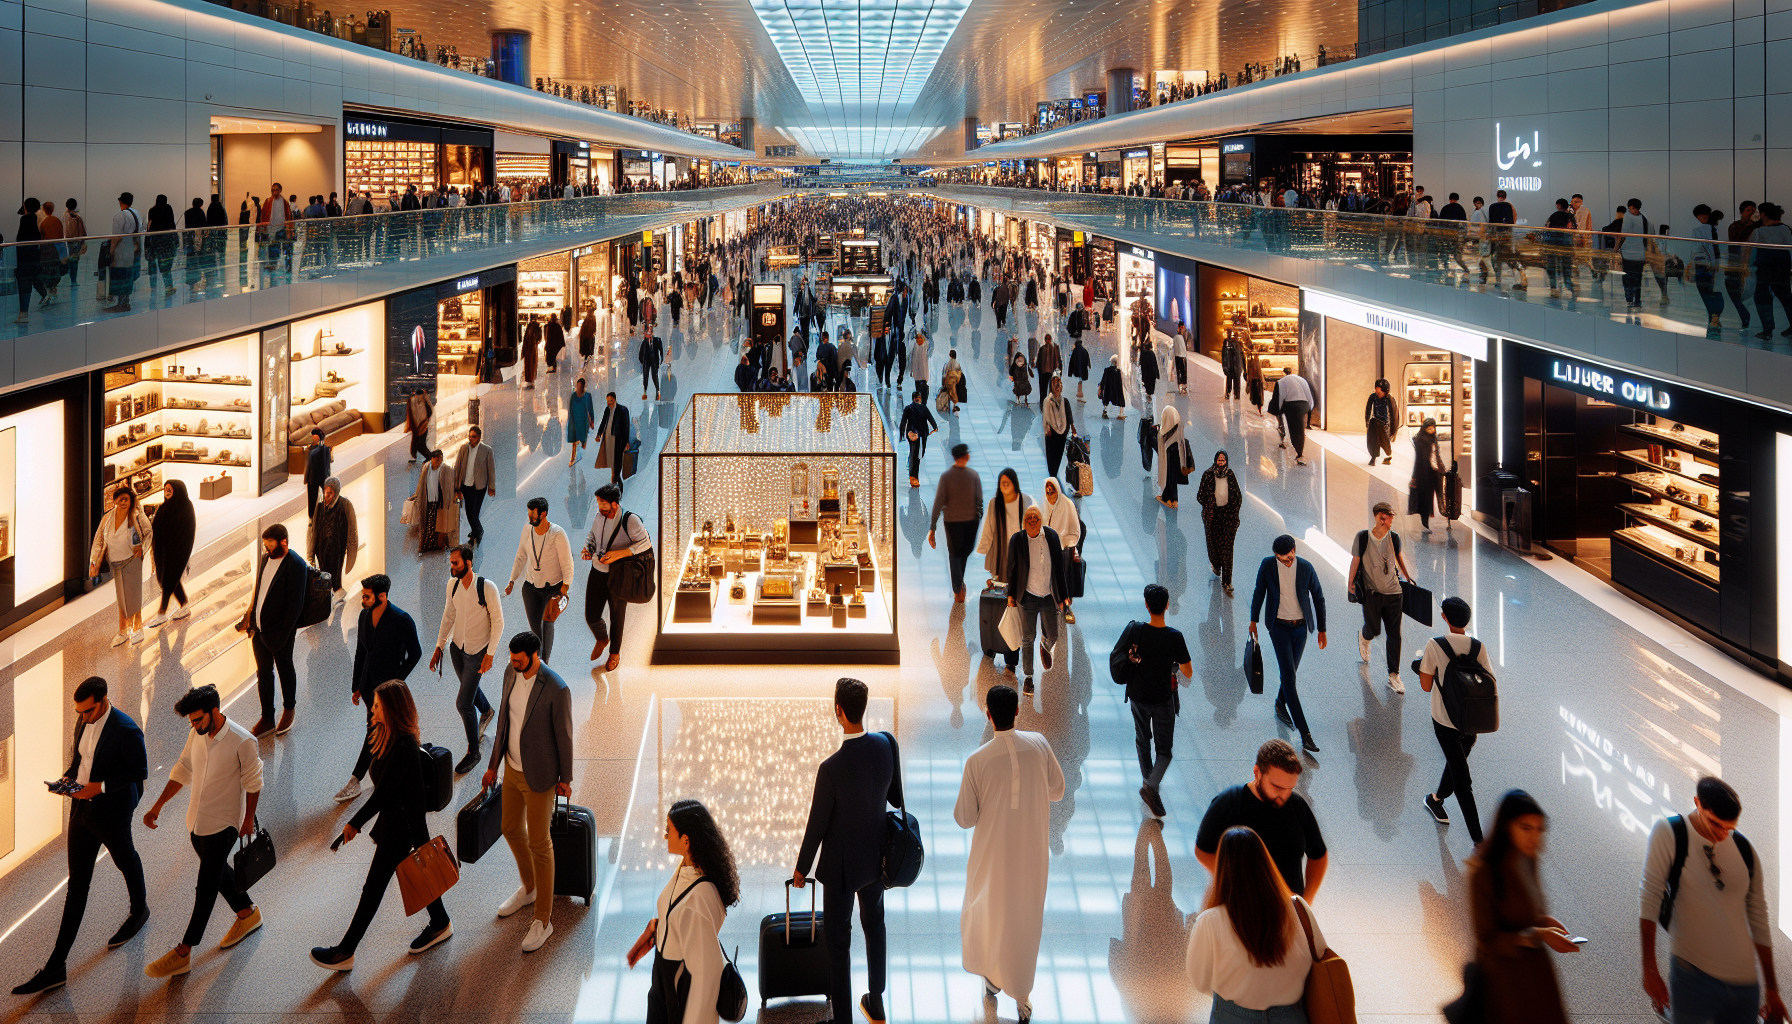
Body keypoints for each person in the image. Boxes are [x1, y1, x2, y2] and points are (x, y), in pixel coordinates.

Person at [12, 678, 150, 996]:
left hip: (112, 811)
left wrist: (98, 788)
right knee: (77, 885)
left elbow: (138, 772)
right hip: (82, 812)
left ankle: (139, 909)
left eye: (87, 711)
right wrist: (68, 778)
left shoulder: (126, 730)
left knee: (125, 857)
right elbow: (80, 759)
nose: (82, 717)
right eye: (79, 712)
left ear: (102, 701)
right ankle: (56, 967)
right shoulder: (82, 717)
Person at [311, 680, 452, 969]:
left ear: (391, 708)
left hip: (403, 828)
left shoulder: (404, 747)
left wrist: (354, 824)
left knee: (373, 888)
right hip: (397, 822)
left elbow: (382, 794)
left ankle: (345, 952)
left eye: (376, 706)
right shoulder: (386, 735)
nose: (371, 710)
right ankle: (440, 922)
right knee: (416, 874)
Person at [793, 678, 904, 1024]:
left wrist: (801, 869)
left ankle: (842, 1019)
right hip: (876, 861)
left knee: (839, 944)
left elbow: (817, 825)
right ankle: (876, 1002)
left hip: (840, 870)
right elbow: (896, 800)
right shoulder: (887, 744)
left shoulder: (831, 769)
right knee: (876, 926)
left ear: (838, 711)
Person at [954, 684, 1066, 1024]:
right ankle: (1023, 994)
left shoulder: (977, 761)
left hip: (992, 857)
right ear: (1018, 711)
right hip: (1032, 854)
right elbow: (1058, 790)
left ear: (988, 716)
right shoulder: (1040, 745)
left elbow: (965, 818)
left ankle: (991, 981)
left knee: (990, 913)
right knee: (1025, 919)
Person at [140, 685, 264, 979]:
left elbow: (254, 781)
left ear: (214, 712)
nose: (193, 725)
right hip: (196, 823)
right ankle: (247, 914)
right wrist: (157, 806)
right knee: (219, 875)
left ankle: (183, 952)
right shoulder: (195, 735)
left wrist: (248, 820)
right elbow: (183, 768)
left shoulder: (242, 741)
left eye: (198, 719)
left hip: (224, 825)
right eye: (191, 721)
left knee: (206, 886)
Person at [1639, 775, 1785, 1024]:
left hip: (1744, 985)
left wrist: (1772, 989)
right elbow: (1650, 896)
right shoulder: (1670, 832)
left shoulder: (1745, 850)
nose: (1722, 835)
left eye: (1730, 828)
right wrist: (1649, 968)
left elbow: (1759, 918)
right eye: (1715, 824)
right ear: (1697, 803)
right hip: (1692, 978)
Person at [482, 632, 576, 953]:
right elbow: (503, 723)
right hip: (511, 768)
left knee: (540, 842)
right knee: (509, 828)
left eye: (519, 659)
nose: (513, 663)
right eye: (511, 658)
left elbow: (565, 736)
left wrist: (566, 778)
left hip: (541, 776)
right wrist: (494, 765)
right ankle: (531, 887)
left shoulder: (556, 688)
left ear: (535, 655)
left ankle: (543, 919)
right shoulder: (511, 672)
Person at [1185, 826, 1330, 1024]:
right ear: (1265, 863)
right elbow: (1320, 955)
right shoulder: (1297, 907)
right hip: (1292, 1016)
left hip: (1232, 1016)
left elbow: (1199, 981)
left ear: (1223, 870)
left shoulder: (1210, 920)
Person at [1464, 791, 1576, 1024]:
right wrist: (1537, 935)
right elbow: (1486, 939)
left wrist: (1543, 921)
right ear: (1506, 827)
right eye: (1526, 828)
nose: (1534, 837)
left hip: (1535, 977)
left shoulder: (1528, 859)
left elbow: (1522, 912)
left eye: (1539, 829)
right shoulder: (1483, 874)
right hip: (1505, 986)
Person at [626, 799, 740, 1024]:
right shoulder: (686, 867)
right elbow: (674, 909)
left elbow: (706, 975)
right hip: (664, 972)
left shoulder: (699, 898)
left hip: (680, 981)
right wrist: (656, 929)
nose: (665, 836)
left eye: (669, 831)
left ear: (686, 840)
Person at [1195, 740, 1329, 898]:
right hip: (1242, 910)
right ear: (1257, 773)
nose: (1284, 796)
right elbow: (1203, 851)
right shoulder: (1229, 802)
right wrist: (1232, 883)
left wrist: (1306, 901)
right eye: (1277, 787)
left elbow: (1318, 856)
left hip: (1288, 913)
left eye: (1290, 788)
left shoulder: (1297, 805)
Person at [336, 574, 422, 802]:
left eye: (366, 596)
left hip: (387, 689)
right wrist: (356, 685)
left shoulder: (402, 620)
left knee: (374, 730)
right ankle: (391, 771)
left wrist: (395, 684)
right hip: (368, 686)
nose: (362, 600)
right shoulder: (364, 616)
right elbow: (361, 652)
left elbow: (416, 654)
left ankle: (356, 780)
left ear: (382, 597)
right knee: (385, 729)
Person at [1116, 583, 1192, 819]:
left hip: (1138, 696)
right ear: (1167, 605)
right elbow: (1188, 672)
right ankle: (1151, 786)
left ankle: (1150, 785)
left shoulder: (1137, 631)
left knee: (1142, 741)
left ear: (1147, 606)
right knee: (1165, 751)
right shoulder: (1175, 637)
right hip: (1162, 700)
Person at [1248, 535, 1328, 753]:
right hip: (1279, 628)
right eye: (1283, 560)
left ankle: (1280, 702)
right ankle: (1306, 734)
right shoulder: (1267, 565)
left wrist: (1322, 629)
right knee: (1289, 678)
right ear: (1276, 556)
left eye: (1290, 558)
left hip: (1301, 629)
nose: (1287, 562)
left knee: (1290, 672)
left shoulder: (1305, 567)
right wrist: (1253, 620)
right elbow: (1259, 591)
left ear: (1294, 550)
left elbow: (1318, 597)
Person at [431, 545, 503, 775]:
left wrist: (490, 654)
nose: (452, 567)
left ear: (468, 563)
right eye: (451, 563)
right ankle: (487, 709)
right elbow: (448, 615)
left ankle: (474, 752)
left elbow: (499, 623)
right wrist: (439, 646)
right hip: (457, 649)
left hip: (478, 652)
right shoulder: (452, 586)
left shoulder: (486, 588)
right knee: (468, 689)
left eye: (456, 563)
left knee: (463, 703)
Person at [237, 523, 307, 737]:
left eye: (271, 546)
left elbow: (294, 607)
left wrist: (282, 636)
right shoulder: (266, 558)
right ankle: (267, 717)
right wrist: (251, 620)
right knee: (264, 673)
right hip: (259, 630)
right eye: (265, 546)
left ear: (284, 543)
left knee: (285, 669)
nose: (267, 550)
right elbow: (259, 589)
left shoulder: (296, 565)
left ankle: (289, 708)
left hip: (279, 633)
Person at [582, 482, 652, 671]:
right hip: (597, 571)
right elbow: (592, 535)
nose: (599, 507)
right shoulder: (599, 516)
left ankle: (614, 653)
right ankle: (602, 638)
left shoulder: (631, 520)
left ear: (614, 504)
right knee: (591, 615)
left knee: (617, 614)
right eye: (598, 502)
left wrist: (619, 554)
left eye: (602, 503)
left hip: (619, 574)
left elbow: (645, 544)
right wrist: (587, 548)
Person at [1350, 501, 1416, 694]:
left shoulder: (1394, 538)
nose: (1390, 521)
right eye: (1387, 518)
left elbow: (1399, 559)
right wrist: (1350, 582)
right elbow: (1356, 560)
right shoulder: (1362, 538)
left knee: (1394, 633)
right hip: (1372, 593)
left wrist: (1408, 577)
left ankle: (1394, 674)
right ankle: (1364, 636)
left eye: (1392, 518)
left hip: (1394, 593)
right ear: (1379, 517)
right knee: (1374, 629)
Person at [1004, 505, 1069, 688]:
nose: (1032, 519)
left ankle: (1045, 645)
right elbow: (1012, 569)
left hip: (1049, 595)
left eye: (1036, 517)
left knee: (1053, 635)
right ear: (1024, 522)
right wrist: (1011, 594)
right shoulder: (1017, 539)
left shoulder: (1051, 536)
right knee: (1027, 638)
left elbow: (1059, 567)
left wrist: (1063, 596)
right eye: (1029, 517)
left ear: (1041, 520)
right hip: (1028, 597)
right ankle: (1029, 677)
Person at [507, 497, 575, 664]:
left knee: (548, 623)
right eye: (529, 515)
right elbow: (521, 555)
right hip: (531, 588)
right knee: (536, 629)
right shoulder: (527, 530)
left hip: (553, 588)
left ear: (543, 514)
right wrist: (512, 580)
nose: (530, 519)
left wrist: (564, 591)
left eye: (533, 516)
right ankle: (539, 658)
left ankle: (544, 662)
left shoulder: (557, 534)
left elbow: (567, 563)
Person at [89, 484, 153, 647]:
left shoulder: (137, 515)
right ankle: (124, 630)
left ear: (131, 500)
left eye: (126, 499)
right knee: (122, 597)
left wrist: (142, 550)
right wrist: (94, 561)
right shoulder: (108, 518)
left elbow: (148, 533)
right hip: (116, 561)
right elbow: (99, 540)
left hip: (133, 560)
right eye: (120, 500)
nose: (123, 503)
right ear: (115, 501)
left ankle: (138, 628)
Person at [928, 444, 984, 601]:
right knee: (964, 552)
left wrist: (932, 527)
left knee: (954, 553)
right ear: (966, 456)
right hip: (970, 521)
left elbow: (938, 502)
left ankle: (957, 587)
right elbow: (979, 500)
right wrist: (978, 518)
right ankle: (958, 585)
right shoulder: (973, 476)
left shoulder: (946, 477)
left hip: (951, 521)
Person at [143, 480, 195, 627]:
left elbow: (186, 531)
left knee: (168, 581)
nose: (167, 491)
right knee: (166, 579)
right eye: (165, 489)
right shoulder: (164, 506)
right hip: (163, 551)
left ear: (177, 490)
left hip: (177, 551)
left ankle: (162, 613)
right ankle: (184, 604)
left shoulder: (185, 507)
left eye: (170, 489)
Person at [306, 476, 358, 605]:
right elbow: (312, 529)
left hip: (337, 547)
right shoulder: (319, 506)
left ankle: (337, 590)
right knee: (322, 569)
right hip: (321, 546)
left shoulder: (345, 505)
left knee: (335, 569)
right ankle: (325, 595)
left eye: (330, 493)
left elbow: (352, 529)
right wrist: (310, 551)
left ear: (336, 492)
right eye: (325, 492)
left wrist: (351, 547)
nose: (327, 496)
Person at [1195, 450, 1242, 597]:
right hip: (1213, 516)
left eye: (1223, 460)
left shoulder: (1231, 475)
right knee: (1213, 545)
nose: (1221, 462)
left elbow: (1238, 496)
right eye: (1219, 460)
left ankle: (1227, 581)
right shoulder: (1208, 475)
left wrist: (1233, 511)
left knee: (1228, 549)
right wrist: (1210, 505)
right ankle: (1215, 564)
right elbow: (1200, 496)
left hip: (1227, 517)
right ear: (1215, 460)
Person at [978, 468, 1032, 592]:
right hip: (1001, 550)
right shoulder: (994, 503)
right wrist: (984, 548)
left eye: (1008, 482)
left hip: (1020, 549)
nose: (1006, 485)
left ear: (1015, 483)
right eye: (1003, 482)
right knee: (1001, 584)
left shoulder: (1025, 500)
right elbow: (989, 527)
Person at [1040, 476, 1081, 623]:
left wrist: (1061, 543)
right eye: (1047, 492)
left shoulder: (1067, 505)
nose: (1050, 495)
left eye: (1052, 492)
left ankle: (1065, 605)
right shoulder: (1043, 506)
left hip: (1063, 548)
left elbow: (1075, 532)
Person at [1751, 202, 1792, 341]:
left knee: (1762, 297)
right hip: (1783, 267)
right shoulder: (1786, 229)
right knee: (1786, 297)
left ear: (1764, 214)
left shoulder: (1759, 232)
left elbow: (1751, 251)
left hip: (1765, 268)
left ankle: (1767, 330)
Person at [411, 448, 461, 553]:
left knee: (439, 523)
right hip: (428, 499)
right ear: (432, 459)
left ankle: (439, 544)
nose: (439, 462)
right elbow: (421, 483)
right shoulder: (426, 468)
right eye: (437, 460)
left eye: (440, 460)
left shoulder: (446, 469)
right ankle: (428, 545)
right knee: (429, 522)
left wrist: (455, 494)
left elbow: (452, 482)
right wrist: (416, 495)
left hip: (440, 500)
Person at [454, 425, 497, 545]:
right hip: (466, 485)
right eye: (470, 436)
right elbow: (457, 467)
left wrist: (491, 487)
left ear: (479, 437)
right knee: (469, 512)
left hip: (479, 486)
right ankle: (478, 530)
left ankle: (476, 532)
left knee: (475, 512)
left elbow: (491, 470)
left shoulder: (487, 450)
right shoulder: (464, 448)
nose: (471, 438)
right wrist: (456, 486)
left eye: (474, 436)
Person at [102, 192, 142, 313]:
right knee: (127, 277)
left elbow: (117, 237)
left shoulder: (119, 216)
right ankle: (125, 301)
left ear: (120, 201)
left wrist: (111, 251)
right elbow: (138, 235)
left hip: (122, 251)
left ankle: (121, 304)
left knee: (119, 276)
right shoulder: (137, 214)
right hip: (131, 251)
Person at [1269, 370, 1315, 464]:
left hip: (1290, 405)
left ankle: (1293, 447)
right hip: (1303, 404)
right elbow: (1308, 395)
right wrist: (1309, 408)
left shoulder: (1281, 382)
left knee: (1293, 428)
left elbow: (1280, 397)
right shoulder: (1302, 380)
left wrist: (1278, 410)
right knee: (1300, 429)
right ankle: (1300, 452)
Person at [1410, 417, 1448, 531]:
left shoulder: (1434, 439)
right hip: (1424, 472)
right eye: (1429, 428)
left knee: (1440, 494)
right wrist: (1414, 476)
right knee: (1425, 497)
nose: (1431, 430)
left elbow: (1437, 455)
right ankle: (1425, 521)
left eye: (1433, 427)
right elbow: (1418, 460)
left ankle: (1445, 514)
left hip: (1435, 471)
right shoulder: (1420, 440)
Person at [898, 388, 938, 488]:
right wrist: (935, 427)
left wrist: (902, 434)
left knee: (915, 452)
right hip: (920, 434)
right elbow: (931, 418)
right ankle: (914, 476)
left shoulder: (909, 408)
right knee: (917, 454)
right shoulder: (923, 408)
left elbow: (903, 422)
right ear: (918, 399)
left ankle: (913, 475)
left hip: (912, 435)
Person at [1041, 375, 1076, 479]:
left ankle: (1054, 474)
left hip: (1063, 431)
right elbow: (1046, 417)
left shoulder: (1065, 401)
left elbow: (1069, 416)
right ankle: (1052, 475)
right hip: (1051, 433)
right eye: (1055, 385)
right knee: (1051, 455)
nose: (1058, 387)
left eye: (1059, 385)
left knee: (1059, 454)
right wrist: (1047, 430)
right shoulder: (1047, 401)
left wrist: (1073, 429)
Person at [595, 391, 633, 487]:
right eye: (607, 401)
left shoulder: (622, 410)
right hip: (608, 439)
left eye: (611, 400)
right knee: (612, 461)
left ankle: (616, 484)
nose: (609, 403)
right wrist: (599, 434)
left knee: (617, 462)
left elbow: (626, 427)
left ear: (615, 400)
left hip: (618, 440)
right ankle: (614, 482)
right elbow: (603, 422)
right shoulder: (607, 410)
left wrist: (626, 441)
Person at [1155, 403, 1186, 508]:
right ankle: (1174, 500)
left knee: (1169, 477)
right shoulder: (1178, 427)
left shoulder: (1164, 431)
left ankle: (1167, 499)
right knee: (1173, 477)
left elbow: (1161, 437)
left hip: (1169, 454)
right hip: (1177, 454)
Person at [1364, 379, 1397, 466]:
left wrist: (1393, 430)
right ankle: (1373, 456)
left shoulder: (1389, 399)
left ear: (1385, 392)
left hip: (1384, 424)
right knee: (1373, 440)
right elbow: (1368, 409)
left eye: (1380, 392)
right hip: (1375, 421)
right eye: (1377, 391)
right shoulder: (1373, 397)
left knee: (1385, 441)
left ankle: (1388, 455)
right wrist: (1367, 421)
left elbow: (1394, 415)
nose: (1377, 393)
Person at [566, 377, 597, 466]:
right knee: (574, 441)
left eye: (580, 386)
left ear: (583, 386)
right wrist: (570, 420)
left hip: (584, 421)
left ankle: (582, 457)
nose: (578, 387)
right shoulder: (573, 396)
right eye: (577, 386)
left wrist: (592, 421)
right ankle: (572, 458)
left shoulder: (587, 396)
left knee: (583, 438)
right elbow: (570, 408)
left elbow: (590, 409)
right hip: (574, 420)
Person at [304, 426, 331, 517]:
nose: (311, 437)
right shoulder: (312, 450)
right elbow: (308, 466)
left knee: (323, 496)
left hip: (320, 476)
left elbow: (326, 464)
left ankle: (323, 512)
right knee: (313, 498)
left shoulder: (321, 450)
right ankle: (313, 515)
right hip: (315, 477)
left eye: (313, 435)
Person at [404, 387, 433, 463]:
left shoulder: (423, 403)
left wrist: (422, 424)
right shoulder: (418, 402)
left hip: (422, 428)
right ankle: (419, 456)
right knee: (415, 445)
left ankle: (430, 456)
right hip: (418, 428)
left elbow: (426, 413)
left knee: (420, 446)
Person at [638, 323, 665, 401]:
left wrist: (661, 358)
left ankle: (657, 390)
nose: (648, 335)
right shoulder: (644, 342)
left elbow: (661, 350)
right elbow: (641, 352)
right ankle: (645, 391)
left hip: (654, 361)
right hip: (646, 361)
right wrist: (642, 361)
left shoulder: (657, 340)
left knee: (654, 376)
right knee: (645, 376)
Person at [1098, 354, 1127, 418]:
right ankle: (1119, 414)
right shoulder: (1119, 371)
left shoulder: (1107, 370)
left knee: (1106, 400)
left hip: (1108, 390)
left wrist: (1101, 388)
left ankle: (1105, 411)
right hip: (1116, 391)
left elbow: (1103, 381)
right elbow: (1120, 383)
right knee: (1116, 402)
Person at [1067, 332, 1090, 402]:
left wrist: (1070, 372)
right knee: (1080, 379)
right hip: (1082, 369)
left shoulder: (1075, 351)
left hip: (1076, 370)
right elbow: (1087, 359)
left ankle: (1079, 392)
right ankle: (1080, 392)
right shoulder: (1084, 350)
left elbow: (1071, 361)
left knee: (1078, 379)